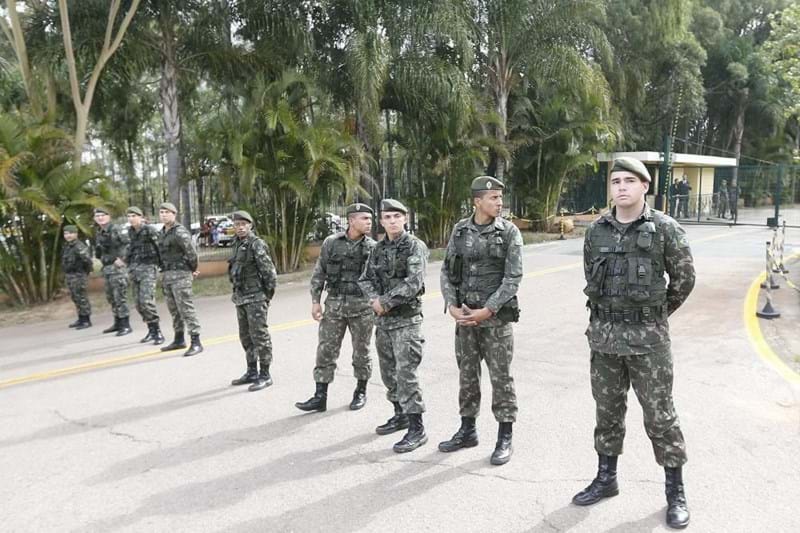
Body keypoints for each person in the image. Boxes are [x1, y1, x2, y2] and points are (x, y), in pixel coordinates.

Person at [572, 157, 695, 529]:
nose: (621, 187)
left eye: (629, 180)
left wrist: (653, 317)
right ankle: (606, 478)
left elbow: (684, 281)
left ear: (645, 186)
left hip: (648, 344)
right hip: (605, 340)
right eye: (615, 181)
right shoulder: (596, 231)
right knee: (607, 413)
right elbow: (592, 276)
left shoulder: (665, 228)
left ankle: (675, 492)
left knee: (660, 417)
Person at [438, 176, 522, 465]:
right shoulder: (460, 231)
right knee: (467, 376)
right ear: (477, 201)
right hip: (465, 319)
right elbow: (447, 271)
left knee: (501, 379)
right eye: (493, 198)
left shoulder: (509, 232)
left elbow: (513, 278)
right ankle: (467, 430)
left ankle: (504, 436)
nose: (499, 203)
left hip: (495, 322)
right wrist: (451, 304)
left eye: (500, 197)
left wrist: (489, 309)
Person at [358, 199, 429, 453]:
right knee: (389, 373)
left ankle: (417, 428)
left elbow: (414, 282)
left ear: (405, 218)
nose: (392, 221)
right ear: (381, 221)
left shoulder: (414, 246)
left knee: (406, 374)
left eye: (396, 216)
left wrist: (385, 302)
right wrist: (374, 300)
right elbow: (365, 278)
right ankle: (399, 415)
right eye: (387, 217)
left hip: (407, 322)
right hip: (384, 322)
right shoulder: (378, 249)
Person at [296, 203, 376, 412]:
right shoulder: (331, 243)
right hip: (334, 305)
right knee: (325, 350)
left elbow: (379, 280)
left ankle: (360, 391)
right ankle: (320, 396)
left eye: (370, 219)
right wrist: (315, 301)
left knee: (361, 352)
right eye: (364, 219)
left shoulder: (373, 247)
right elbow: (319, 272)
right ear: (351, 221)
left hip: (362, 308)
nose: (369, 223)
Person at [228, 210, 278, 391]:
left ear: (250, 225)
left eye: (243, 224)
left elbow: (269, 273)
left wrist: (266, 296)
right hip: (241, 297)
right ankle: (251, 371)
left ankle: (265, 374)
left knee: (260, 335)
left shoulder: (257, 244)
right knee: (246, 336)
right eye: (237, 225)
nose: (240, 228)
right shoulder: (236, 244)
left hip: (256, 297)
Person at [158, 202, 203, 356]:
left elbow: (191, 253)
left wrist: (193, 269)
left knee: (186, 308)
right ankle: (179, 339)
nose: (163, 215)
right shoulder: (163, 232)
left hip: (181, 276)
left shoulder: (180, 232)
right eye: (161, 212)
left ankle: (196, 341)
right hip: (168, 275)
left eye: (167, 212)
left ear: (174, 214)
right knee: (174, 310)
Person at [126, 207, 165, 344]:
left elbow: (160, 248)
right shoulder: (130, 232)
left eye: (134, 216)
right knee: (138, 304)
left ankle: (158, 331)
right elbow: (130, 250)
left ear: (141, 217)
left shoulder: (149, 230)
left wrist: (162, 267)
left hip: (149, 268)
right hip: (135, 270)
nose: (131, 219)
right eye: (129, 216)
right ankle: (151, 329)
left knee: (146, 301)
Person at [93, 207, 132, 336]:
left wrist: (123, 259)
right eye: (97, 216)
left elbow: (129, 244)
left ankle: (126, 324)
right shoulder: (99, 232)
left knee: (120, 296)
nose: (100, 218)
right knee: (111, 297)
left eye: (103, 215)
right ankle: (118, 322)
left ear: (109, 217)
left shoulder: (116, 229)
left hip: (118, 269)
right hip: (107, 268)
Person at [62, 225, 93, 329]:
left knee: (82, 298)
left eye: (70, 233)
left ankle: (86, 320)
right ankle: (81, 318)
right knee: (76, 298)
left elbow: (87, 261)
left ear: (76, 234)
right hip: (70, 275)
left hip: (78, 275)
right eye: (66, 233)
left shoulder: (79, 246)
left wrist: (84, 273)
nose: (68, 235)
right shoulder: (68, 246)